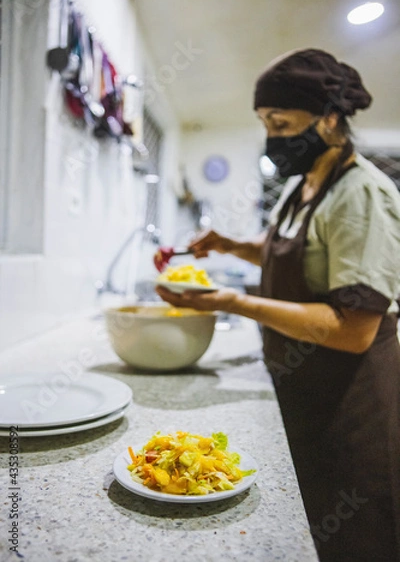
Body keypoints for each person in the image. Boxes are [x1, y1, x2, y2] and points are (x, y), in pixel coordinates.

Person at [155, 48, 400, 562]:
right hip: (304, 386)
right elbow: (287, 249)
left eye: (282, 122)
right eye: (265, 122)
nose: (273, 137)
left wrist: (232, 301)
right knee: (310, 526)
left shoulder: (361, 194)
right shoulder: (301, 188)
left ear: (330, 120)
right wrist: (228, 244)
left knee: (356, 535)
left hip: (351, 403)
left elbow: (352, 327)